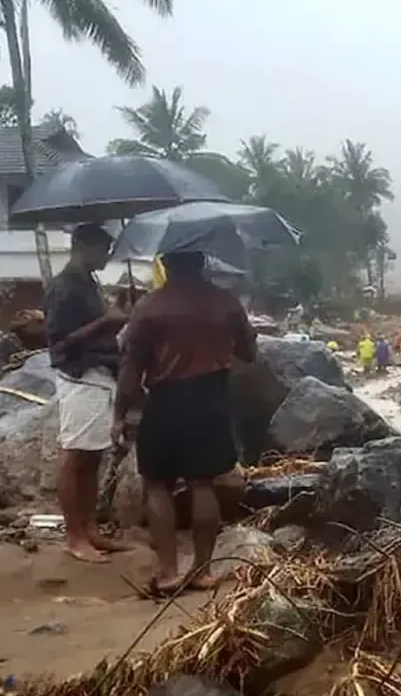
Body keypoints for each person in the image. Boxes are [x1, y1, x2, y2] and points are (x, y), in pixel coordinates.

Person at [115, 250, 256, 594]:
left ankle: (168, 572)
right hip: (210, 400)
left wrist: (119, 414)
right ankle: (203, 571)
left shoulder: (149, 306)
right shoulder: (226, 302)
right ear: (203, 263)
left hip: (165, 401)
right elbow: (249, 353)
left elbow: (132, 368)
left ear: (166, 265)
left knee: (157, 484)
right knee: (203, 484)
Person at [42, 224, 130, 563]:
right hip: (79, 375)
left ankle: (89, 528)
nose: (106, 255)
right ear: (81, 246)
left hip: (99, 374)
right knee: (75, 454)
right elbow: (59, 342)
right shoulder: (64, 287)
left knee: (93, 455)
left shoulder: (88, 283)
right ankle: (74, 536)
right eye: (102, 248)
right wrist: (107, 323)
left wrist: (113, 319)